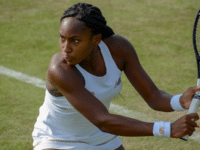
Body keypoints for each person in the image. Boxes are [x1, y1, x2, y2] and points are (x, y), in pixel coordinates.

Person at [32, 2, 200, 150]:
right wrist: (167, 129)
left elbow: (153, 96)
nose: (66, 48)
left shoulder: (119, 49)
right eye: (62, 38)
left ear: (96, 39)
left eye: (75, 40)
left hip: (101, 138)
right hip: (57, 139)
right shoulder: (60, 70)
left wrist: (180, 101)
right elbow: (102, 120)